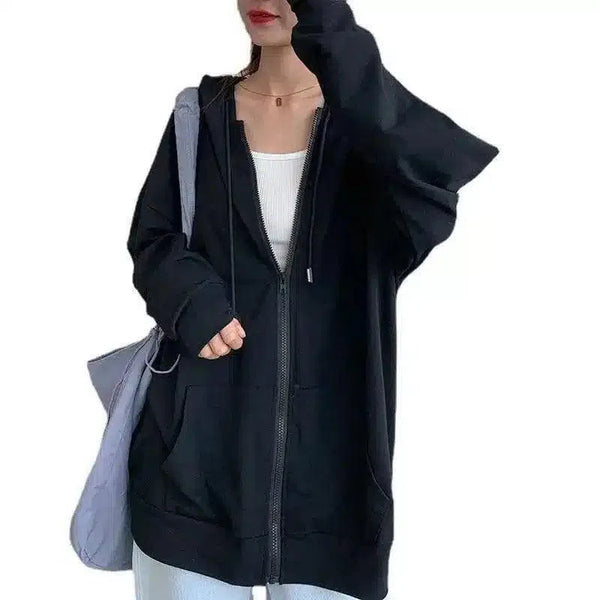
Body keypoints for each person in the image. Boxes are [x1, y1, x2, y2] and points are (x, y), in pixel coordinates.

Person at [126, 1, 500, 599]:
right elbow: (154, 239)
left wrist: (333, 42)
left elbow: (433, 192)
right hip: (191, 475)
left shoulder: (372, 131)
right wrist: (192, 297)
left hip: (334, 484)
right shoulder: (200, 114)